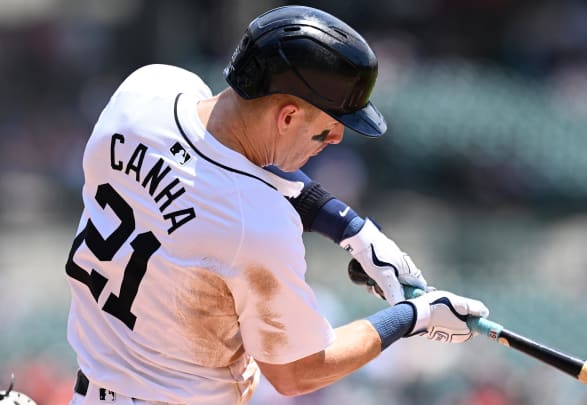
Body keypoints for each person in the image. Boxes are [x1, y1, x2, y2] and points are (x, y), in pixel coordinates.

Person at [65, 5, 489, 405]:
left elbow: (221, 151)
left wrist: (354, 231)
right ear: (287, 117)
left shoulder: (145, 92)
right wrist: (412, 318)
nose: (336, 140)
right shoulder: (256, 226)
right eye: (326, 131)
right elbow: (297, 372)